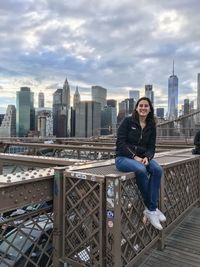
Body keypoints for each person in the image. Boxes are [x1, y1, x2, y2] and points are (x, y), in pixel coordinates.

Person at [115, 97, 166, 230]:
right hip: (123, 158)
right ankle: (152, 208)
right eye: (141, 105)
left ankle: (151, 209)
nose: (143, 108)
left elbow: (151, 147)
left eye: (146, 106)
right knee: (141, 170)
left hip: (143, 158)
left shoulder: (151, 125)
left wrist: (148, 157)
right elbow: (120, 143)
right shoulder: (127, 121)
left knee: (157, 170)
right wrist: (134, 156)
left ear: (150, 109)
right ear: (137, 108)